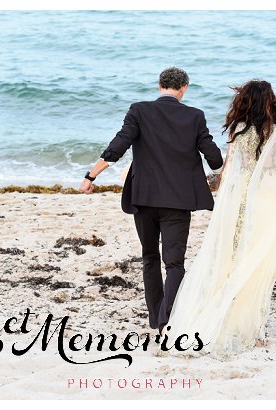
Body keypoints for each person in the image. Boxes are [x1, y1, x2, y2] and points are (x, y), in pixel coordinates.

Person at [79, 66, 224, 333]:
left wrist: (91, 176)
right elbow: (213, 157)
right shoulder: (195, 116)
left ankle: (156, 317)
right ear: (184, 88)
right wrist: (222, 171)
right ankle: (167, 320)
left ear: (159, 86)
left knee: (149, 257)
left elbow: (118, 146)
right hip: (178, 201)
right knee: (175, 262)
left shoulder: (139, 110)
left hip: (144, 198)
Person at [165, 79, 276, 355]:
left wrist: (212, 183)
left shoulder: (237, 129)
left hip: (238, 199)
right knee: (260, 263)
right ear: (270, 101)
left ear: (244, 101)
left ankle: (226, 314)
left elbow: (226, 170)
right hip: (266, 198)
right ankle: (255, 331)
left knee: (232, 256)